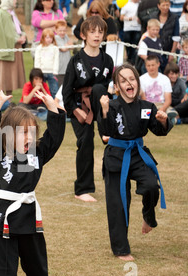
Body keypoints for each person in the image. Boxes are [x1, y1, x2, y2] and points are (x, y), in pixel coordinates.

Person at [0, 84, 66, 276]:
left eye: (32, 132)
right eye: (23, 133)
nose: (29, 138)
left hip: (28, 217)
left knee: (37, 270)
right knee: (1, 274)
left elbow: (54, 138)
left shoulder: (35, 154)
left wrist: (53, 108)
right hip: (4, 218)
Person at [99, 64, 172, 262]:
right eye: (123, 80)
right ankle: (121, 249)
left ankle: (148, 216)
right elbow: (104, 133)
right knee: (118, 203)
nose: (128, 83)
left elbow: (158, 130)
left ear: (138, 82)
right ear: (117, 86)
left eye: (131, 79)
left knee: (151, 186)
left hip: (137, 154)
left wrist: (163, 120)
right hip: (115, 156)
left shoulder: (147, 107)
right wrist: (105, 110)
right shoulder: (112, 106)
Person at [62, 16, 114, 202]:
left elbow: (108, 89)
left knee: (100, 88)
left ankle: (105, 131)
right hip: (79, 105)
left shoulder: (107, 60)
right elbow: (66, 93)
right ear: (83, 35)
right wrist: (77, 111)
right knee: (85, 141)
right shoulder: (75, 61)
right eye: (92, 31)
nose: (97, 35)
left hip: (101, 108)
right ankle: (82, 189)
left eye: (100, 32)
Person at [0, 0, 27, 96]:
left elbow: (17, 28)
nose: (16, 1)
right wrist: (15, 39)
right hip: (6, 48)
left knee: (11, 77)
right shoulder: (1, 13)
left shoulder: (11, 13)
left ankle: (9, 99)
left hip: (15, 49)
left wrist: (22, 35)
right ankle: (0, 100)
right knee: (3, 76)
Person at [150, 0, 180, 70]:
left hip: (168, 50)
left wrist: (172, 53)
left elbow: (176, 37)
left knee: (166, 70)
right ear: (158, 6)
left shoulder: (175, 17)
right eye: (163, 5)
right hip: (154, 50)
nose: (165, 7)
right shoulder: (153, 16)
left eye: (167, 5)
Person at [34, 28, 59, 98]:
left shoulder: (55, 48)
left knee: (54, 90)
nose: (49, 39)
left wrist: (55, 71)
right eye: (47, 37)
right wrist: (38, 72)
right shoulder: (39, 48)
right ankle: (42, 104)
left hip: (52, 72)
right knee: (41, 90)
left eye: (51, 37)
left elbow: (56, 60)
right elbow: (37, 60)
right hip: (42, 72)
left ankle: (55, 104)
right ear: (43, 38)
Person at [120, 0, 141, 64]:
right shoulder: (127, 4)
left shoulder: (141, 4)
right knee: (128, 43)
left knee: (135, 44)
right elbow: (121, 17)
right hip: (128, 28)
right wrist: (130, 18)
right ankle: (129, 57)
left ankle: (133, 60)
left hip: (138, 28)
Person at [54, 19, 72, 91]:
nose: (62, 32)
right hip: (60, 69)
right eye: (60, 30)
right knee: (59, 87)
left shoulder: (65, 36)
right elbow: (63, 49)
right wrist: (67, 46)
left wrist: (67, 46)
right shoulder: (56, 38)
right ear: (56, 30)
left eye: (64, 30)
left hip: (67, 67)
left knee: (67, 86)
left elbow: (71, 44)